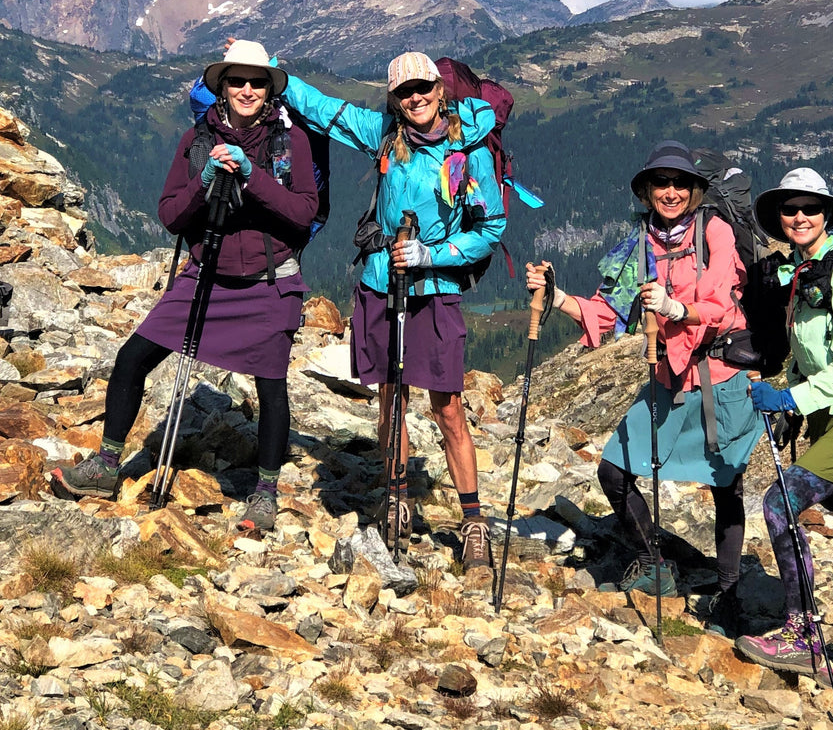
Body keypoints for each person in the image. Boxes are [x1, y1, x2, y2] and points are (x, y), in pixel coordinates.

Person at [52, 40, 318, 532]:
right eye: (236, 80)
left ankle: (265, 493)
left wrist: (252, 175)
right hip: (205, 275)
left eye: (257, 82)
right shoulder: (197, 140)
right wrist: (207, 179)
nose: (246, 89)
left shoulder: (289, 143)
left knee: (271, 385)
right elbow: (171, 215)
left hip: (268, 282)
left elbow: (304, 214)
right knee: (133, 356)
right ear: (220, 86)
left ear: (268, 90)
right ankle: (107, 467)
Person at [526, 139, 763, 635]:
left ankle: (728, 591)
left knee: (726, 483)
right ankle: (654, 561)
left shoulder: (715, 231)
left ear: (696, 191)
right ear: (647, 191)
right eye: (661, 183)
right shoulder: (638, 243)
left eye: (680, 183)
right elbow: (605, 314)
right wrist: (557, 297)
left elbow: (721, 297)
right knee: (614, 471)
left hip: (720, 376)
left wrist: (677, 308)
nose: (671, 191)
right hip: (668, 378)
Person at [280, 51, 506, 571]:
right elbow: (323, 109)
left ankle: (473, 523)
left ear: (439, 88)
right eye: (404, 92)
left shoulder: (466, 146)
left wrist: (434, 255)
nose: (416, 98)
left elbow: (490, 227)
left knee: (447, 405)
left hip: (436, 289)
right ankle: (397, 498)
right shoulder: (384, 134)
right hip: (381, 284)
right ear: (393, 98)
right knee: (391, 399)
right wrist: (274, 72)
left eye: (423, 87)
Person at [735, 168, 833, 698]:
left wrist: (787, 399)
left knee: (780, 504)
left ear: (828, 214)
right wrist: (796, 411)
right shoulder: (803, 274)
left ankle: (803, 632)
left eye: (810, 207)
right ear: (779, 220)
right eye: (790, 209)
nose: (799, 216)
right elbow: (810, 356)